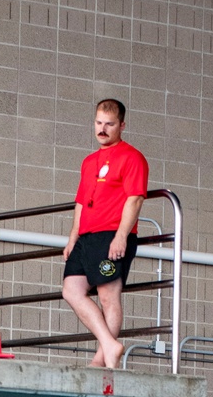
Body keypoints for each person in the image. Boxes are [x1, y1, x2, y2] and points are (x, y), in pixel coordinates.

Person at [61, 98, 148, 369]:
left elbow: (135, 199)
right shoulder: (89, 161)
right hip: (86, 236)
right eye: (99, 123)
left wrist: (121, 235)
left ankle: (102, 358)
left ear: (122, 125)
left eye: (109, 124)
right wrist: (72, 237)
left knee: (109, 295)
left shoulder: (132, 157)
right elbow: (80, 201)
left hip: (111, 233)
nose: (102, 129)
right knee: (71, 290)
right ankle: (109, 344)